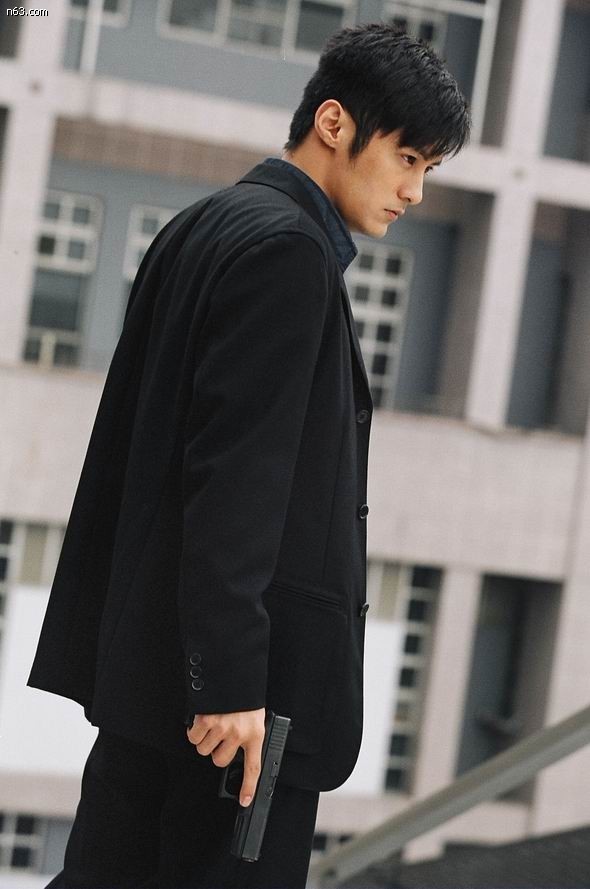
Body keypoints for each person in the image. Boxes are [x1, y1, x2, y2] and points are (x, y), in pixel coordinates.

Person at [27, 21, 470, 889]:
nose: (415, 191)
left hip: (153, 688)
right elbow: (235, 483)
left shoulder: (203, 225)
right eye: (409, 158)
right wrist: (230, 681)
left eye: (428, 169)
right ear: (334, 123)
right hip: (236, 719)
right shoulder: (288, 255)